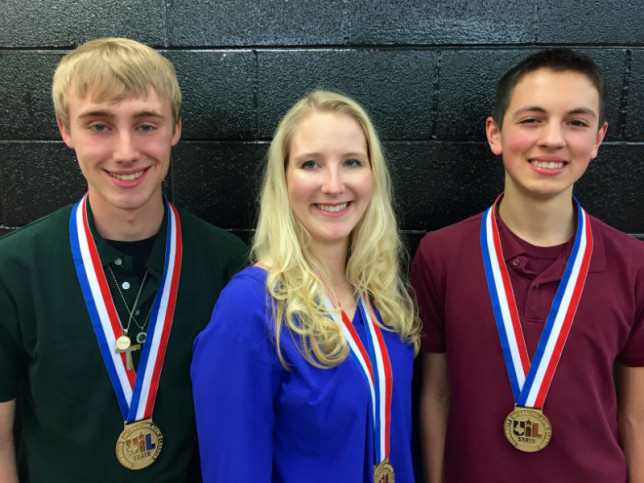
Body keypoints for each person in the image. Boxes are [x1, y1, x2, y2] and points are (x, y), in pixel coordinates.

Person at [0, 38, 247, 482]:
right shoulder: (12, 269)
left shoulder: (230, 264)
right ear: (65, 130)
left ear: (175, 128)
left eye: (146, 125)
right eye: (99, 126)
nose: (127, 151)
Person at [410, 48, 644, 482]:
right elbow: (435, 396)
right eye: (532, 119)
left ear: (598, 139)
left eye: (576, 122)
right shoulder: (440, 255)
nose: (553, 139)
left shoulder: (634, 265)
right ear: (495, 134)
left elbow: (636, 417)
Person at [191, 90, 421, 482]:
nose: (333, 185)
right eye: (311, 164)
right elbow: (234, 470)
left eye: (351, 162)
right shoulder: (249, 308)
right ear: (283, 179)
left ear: (372, 176)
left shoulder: (381, 295)